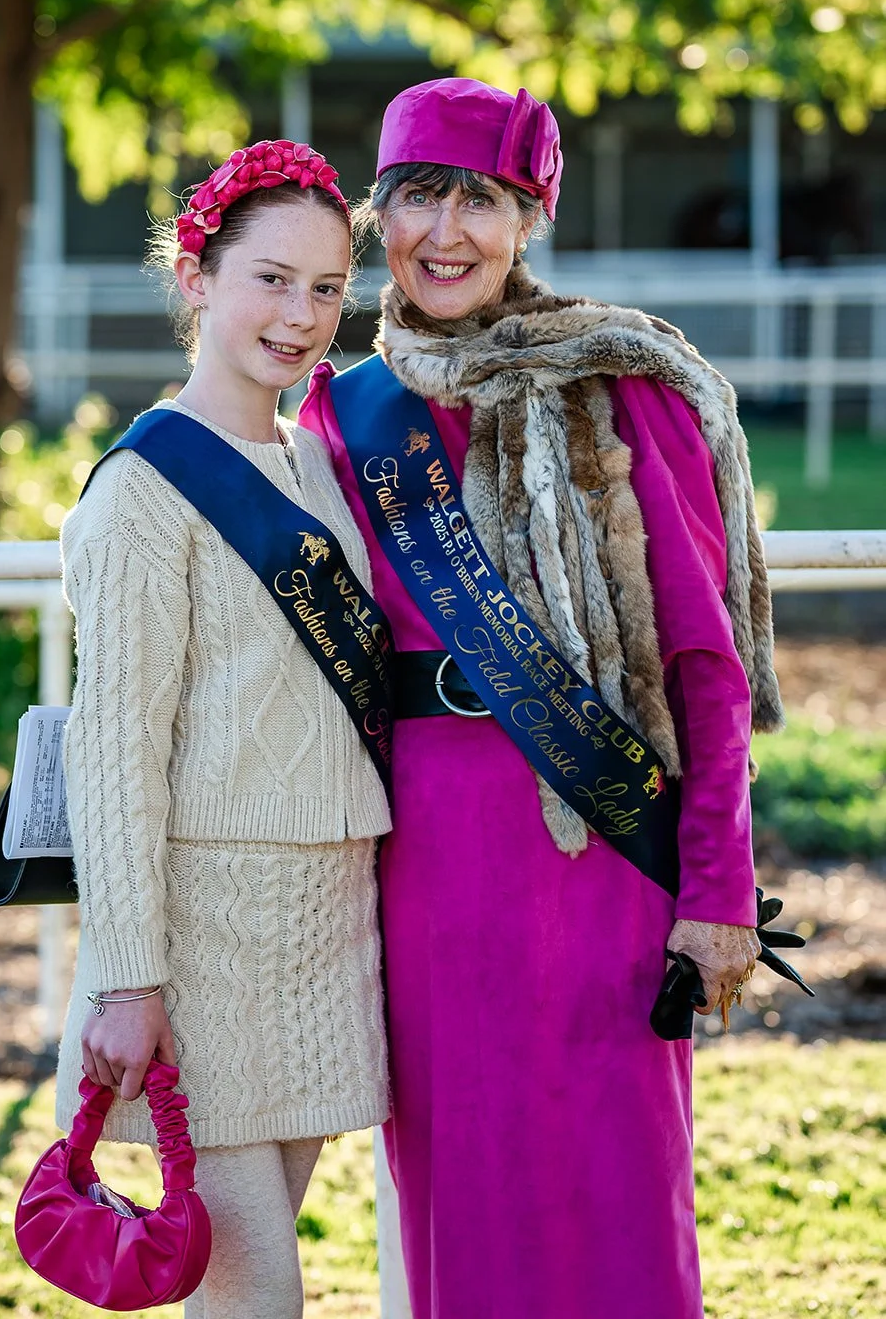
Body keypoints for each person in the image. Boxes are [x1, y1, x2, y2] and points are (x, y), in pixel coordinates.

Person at [300, 77, 784, 1319]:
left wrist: (717, 891)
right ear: (378, 216)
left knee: (618, 1193)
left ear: (528, 221)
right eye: (417, 197)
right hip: (422, 860)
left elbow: (703, 663)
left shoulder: (623, 388)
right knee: (457, 1194)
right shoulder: (343, 413)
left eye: (480, 200)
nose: (444, 231)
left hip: (599, 849)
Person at [54, 139, 392, 1319]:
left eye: (325, 287)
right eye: (268, 277)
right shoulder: (142, 490)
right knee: (256, 1287)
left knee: (246, 1273)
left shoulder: (311, 461)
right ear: (194, 275)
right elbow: (114, 753)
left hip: (322, 920)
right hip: (205, 931)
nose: (300, 315)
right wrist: (127, 977)